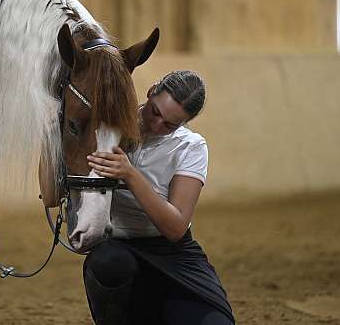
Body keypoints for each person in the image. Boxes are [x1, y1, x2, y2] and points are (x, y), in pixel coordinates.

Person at [85, 70, 235, 325]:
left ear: (185, 123)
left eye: (169, 125)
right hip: (119, 248)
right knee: (108, 261)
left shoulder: (191, 146)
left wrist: (130, 174)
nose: (156, 126)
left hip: (173, 254)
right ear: (152, 90)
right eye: (155, 112)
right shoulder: (107, 127)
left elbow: (175, 228)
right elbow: (52, 198)